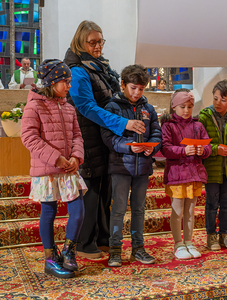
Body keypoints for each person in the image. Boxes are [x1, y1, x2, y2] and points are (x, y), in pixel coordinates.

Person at [64, 20, 145, 259]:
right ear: (81, 42)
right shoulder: (78, 70)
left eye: (100, 41)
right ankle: (83, 242)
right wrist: (122, 123)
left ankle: (103, 237)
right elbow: (87, 107)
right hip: (87, 135)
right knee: (91, 190)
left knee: (103, 189)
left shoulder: (100, 66)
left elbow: (113, 98)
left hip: (104, 136)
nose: (98, 46)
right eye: (93, 42)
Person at [21, 59, 87, 279]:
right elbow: (29, 137)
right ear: (52, 81)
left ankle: (69, 251)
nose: (69, 86)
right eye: (65, 81)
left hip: (69, 169)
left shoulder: (68, 107)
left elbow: (77, 135)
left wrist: (76, 157)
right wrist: (56, 158)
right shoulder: (34, 105)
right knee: (48, 212)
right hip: (48, 169)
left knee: (78, 210)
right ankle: (50, 259)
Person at [101, 64, 162, 267]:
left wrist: (151, 148)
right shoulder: (113, 107)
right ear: (123, 84)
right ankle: (115, 250)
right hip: (120, 166)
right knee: (118, 209)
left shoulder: (148, 109)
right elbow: (108, 137)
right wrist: (128, 147)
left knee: (138, 210)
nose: (137, 92)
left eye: (141, 89)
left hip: (142, 167)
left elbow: (156, 133)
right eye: (133, 87)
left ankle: (138, 248)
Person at [161, 89, 212, 259]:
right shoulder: (168, 125)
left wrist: (201, 150)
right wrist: (184, 151)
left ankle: (189, 242)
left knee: (190, 212)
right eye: (182, 106)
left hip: (194, 174)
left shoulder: (198, 125)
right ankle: (178, 244)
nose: (186, 110)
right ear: (174, 106)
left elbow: (208, 148)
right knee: (177, 212)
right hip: (177, 175)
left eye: (190, 107)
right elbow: (165, 149)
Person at [199, 80, 227, 251]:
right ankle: (211, 236)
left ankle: (224, 234)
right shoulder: (203, 118)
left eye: (223, 100)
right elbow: (200, 144)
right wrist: (215, 149)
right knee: (212, 204)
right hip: (212, 169)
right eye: (216, 98)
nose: (218, 102)